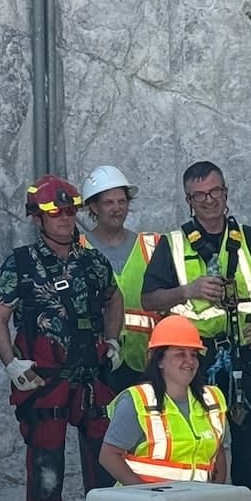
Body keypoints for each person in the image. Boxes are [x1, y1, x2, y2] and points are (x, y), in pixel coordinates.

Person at [0, 174, 123, 501]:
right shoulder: (21, 264)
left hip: (90, 377)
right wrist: (10, 363)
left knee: (105, 460)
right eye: (55, 212)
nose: (65, 218)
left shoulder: (91, 260)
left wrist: (112, 341)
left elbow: (115, 299)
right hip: (45, 381)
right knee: (47, 464)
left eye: (69, 210)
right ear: (37, 217)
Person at [139, 161, 251, 499]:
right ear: (188, 201)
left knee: (249, 450)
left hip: (244, 356)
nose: (209, 201)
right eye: (199, 196)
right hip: (194, 360)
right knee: (198, 442)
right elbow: (149, 298)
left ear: (226, 193)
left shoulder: (248, 239)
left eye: (215, 192)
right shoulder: (175, 244)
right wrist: (188, 291)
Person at [99, 315, 229, 484]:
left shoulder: (213, 399)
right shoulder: (137, 400)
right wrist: (147, 496)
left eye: (194, 354)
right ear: (159, 360)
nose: (189, 361)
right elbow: (108, 456)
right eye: (180, 354)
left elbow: (218, 455)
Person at [80, 163, 159, 387]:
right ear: (93, 207)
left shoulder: (152, 245)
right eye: (108, 202)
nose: (117, 208)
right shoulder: (78, 250)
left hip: (146, 362)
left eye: (122, 201)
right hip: (95, 361)